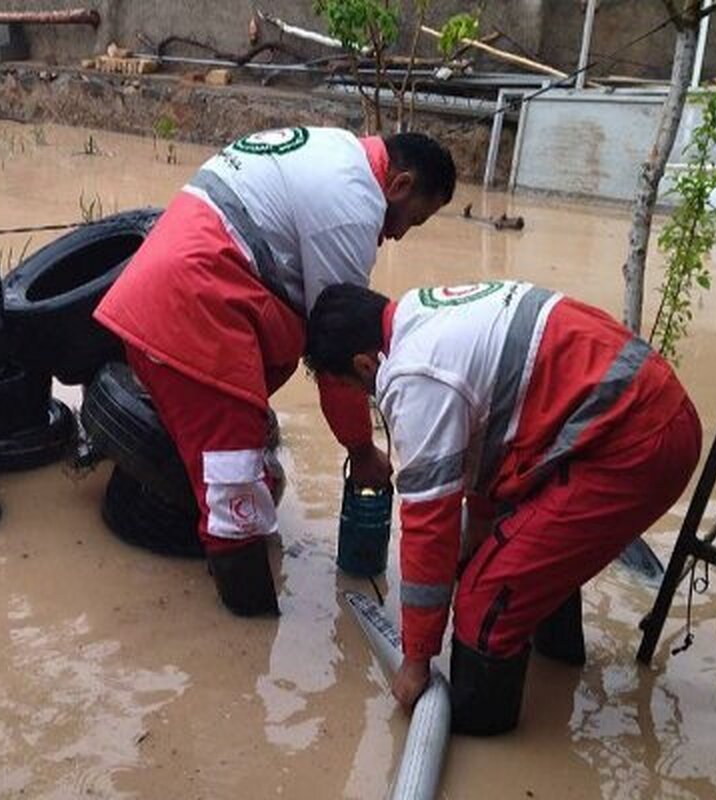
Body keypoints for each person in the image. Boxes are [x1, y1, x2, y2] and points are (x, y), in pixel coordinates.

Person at [304, 280, 702, 734]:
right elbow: (493, 431)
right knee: (515, 554)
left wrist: (416, 661)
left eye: (350, 386)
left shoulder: (415, 378)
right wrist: (480, 529)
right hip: (639, 410)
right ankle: (559, 667)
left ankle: (483, 734)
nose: (363, 397)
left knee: (484, 602)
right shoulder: (422, 311)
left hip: (635, 441)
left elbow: (429, 526)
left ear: (363, 363)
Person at [94, 127, 456, 617]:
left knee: (234, 463)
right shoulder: (352, 205)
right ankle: (249, 647)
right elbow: (340, 351)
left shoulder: (333, 149)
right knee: (238, 500)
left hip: (153, 295)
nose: (397, 235)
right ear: (398, 185)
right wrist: (361, 450)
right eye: (412, 220)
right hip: (198, 312)